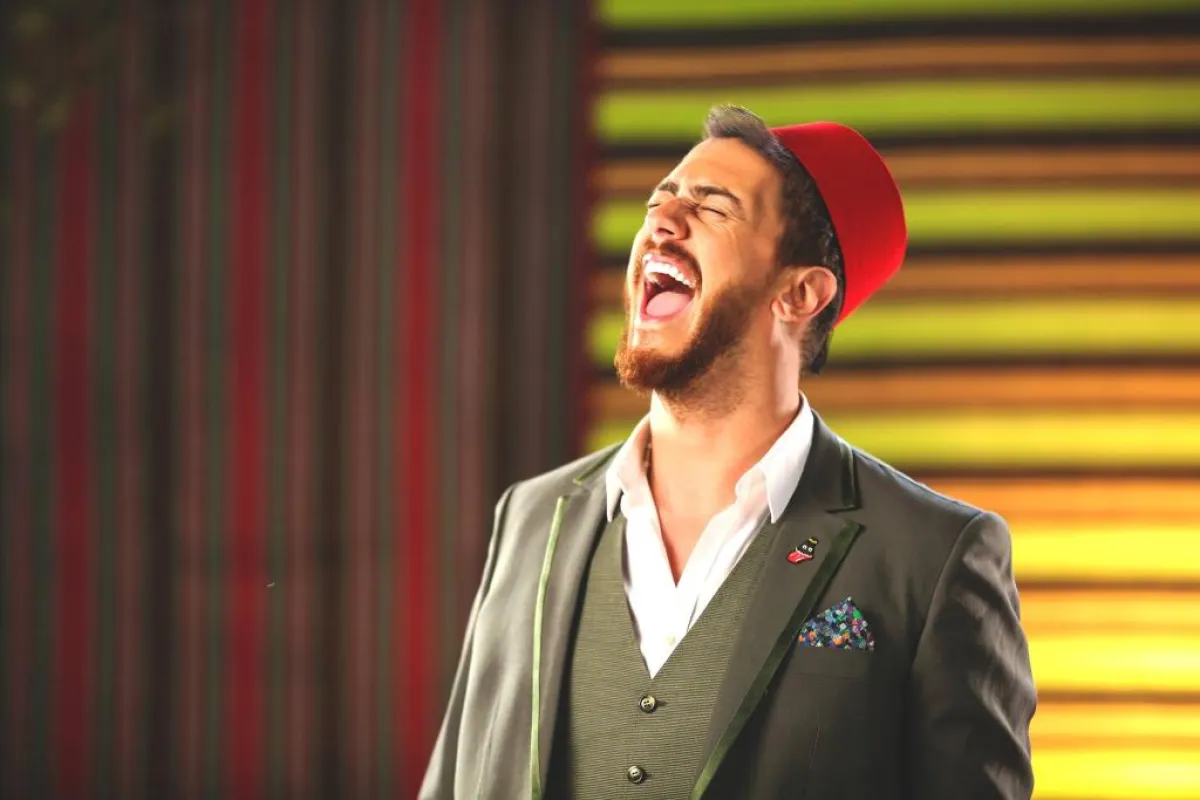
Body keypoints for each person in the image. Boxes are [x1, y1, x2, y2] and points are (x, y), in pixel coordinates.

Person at [420, 105, 1036, 800]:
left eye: (712, 208)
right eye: (660, 201)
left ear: (800, 293)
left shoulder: (933, 555)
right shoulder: (530, 517)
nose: (662, 220)